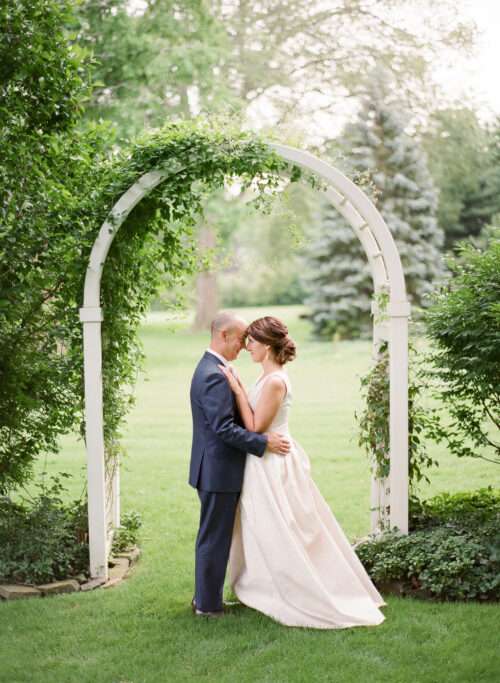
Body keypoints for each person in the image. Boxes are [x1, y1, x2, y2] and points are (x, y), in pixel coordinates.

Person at [218, 315, 386, 629]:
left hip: (272, 464)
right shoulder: (267, 377)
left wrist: (238, 391)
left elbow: (256, 427)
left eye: (252, 341)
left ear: (267, 347)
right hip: (264, 456)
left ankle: (297, 588)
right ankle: (262, 582)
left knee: (280, 526)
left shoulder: (276, 381)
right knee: (262, 525)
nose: (246, 346)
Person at [189, 311, 291, 618]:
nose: (245, 345)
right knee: (214, 538)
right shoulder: (212, 374)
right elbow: (223, 428)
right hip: (218, 471)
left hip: (218, 469)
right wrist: (263, 443)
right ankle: (207, 606)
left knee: (218, 537)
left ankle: (206, 600)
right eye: (241, 338)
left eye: (250, 339)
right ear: (224, 336)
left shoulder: (216, 368)